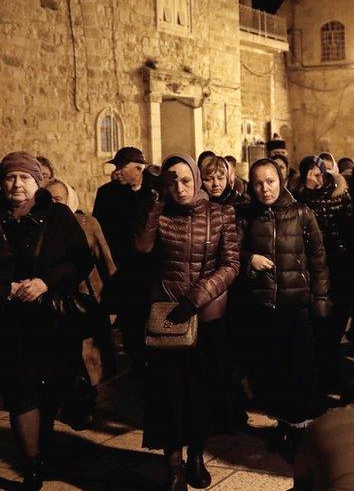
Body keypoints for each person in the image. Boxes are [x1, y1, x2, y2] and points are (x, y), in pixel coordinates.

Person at [135, 154, 240, 491]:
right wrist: (155, 202)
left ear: (195, 178)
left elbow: (231, 263)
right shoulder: (161, 211)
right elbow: (142, 246)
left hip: (206, 315)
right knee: (169, 391)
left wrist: (200, 295)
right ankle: (173, 462)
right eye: (172, 180)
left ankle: (196, 454)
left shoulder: (221, 213)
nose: (180, 187)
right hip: (169, 316)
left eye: (184, 180)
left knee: (200, 390)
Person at [0, 152, 93, 490]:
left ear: (36, 181)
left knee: (54, 385)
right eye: (10, 177)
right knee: (21, 391)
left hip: (53, 319)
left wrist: (44, 282)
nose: (17, 184)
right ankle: (33, 462)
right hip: (10, 321)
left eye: (24, 177)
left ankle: (46, 442)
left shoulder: (59, 215)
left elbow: (82, 260)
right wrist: (7, 288)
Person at [238, 158, 330, 451]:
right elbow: (231, 250)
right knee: (273, 370)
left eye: (270, 181)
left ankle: (301, 430)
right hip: (264, 306)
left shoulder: (302, 213)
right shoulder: (248, 216)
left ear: (281, 180)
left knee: (300, 370)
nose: (265, 189)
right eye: (258, 183)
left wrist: (321, 300)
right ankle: (283, 425)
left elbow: (318, 260)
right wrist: (247, 259)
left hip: (297, 304)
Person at [294, 155, 354, 389]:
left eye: (318, 171)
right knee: (320, 324)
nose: (316, 176)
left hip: (340, 263)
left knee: (337, 320)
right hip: (314, 266)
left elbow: (350, 227)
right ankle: (324, 375)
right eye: (309, 173)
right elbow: (300, 223)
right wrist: (307, 192)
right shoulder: (300, 197)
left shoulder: (340, 193)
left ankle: (333, 371)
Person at [46, 179, 118, 387]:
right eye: (49, 198)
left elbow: (107, 263)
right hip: (57, 304)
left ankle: (100, 404)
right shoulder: (42, 227)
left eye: (58, 198)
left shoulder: (88, 223)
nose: (54, 203)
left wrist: (114, 303)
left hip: (90, 299)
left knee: (95, 357)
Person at [92, 147, 155, 373]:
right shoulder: (107, 194)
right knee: (131, 325)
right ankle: (138, 368)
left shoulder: (156, 191)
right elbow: (100, 234)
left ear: (139, 169)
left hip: (153, 271)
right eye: (116, 167)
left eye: (121, 168)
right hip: (124, 272)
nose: (116, 172)